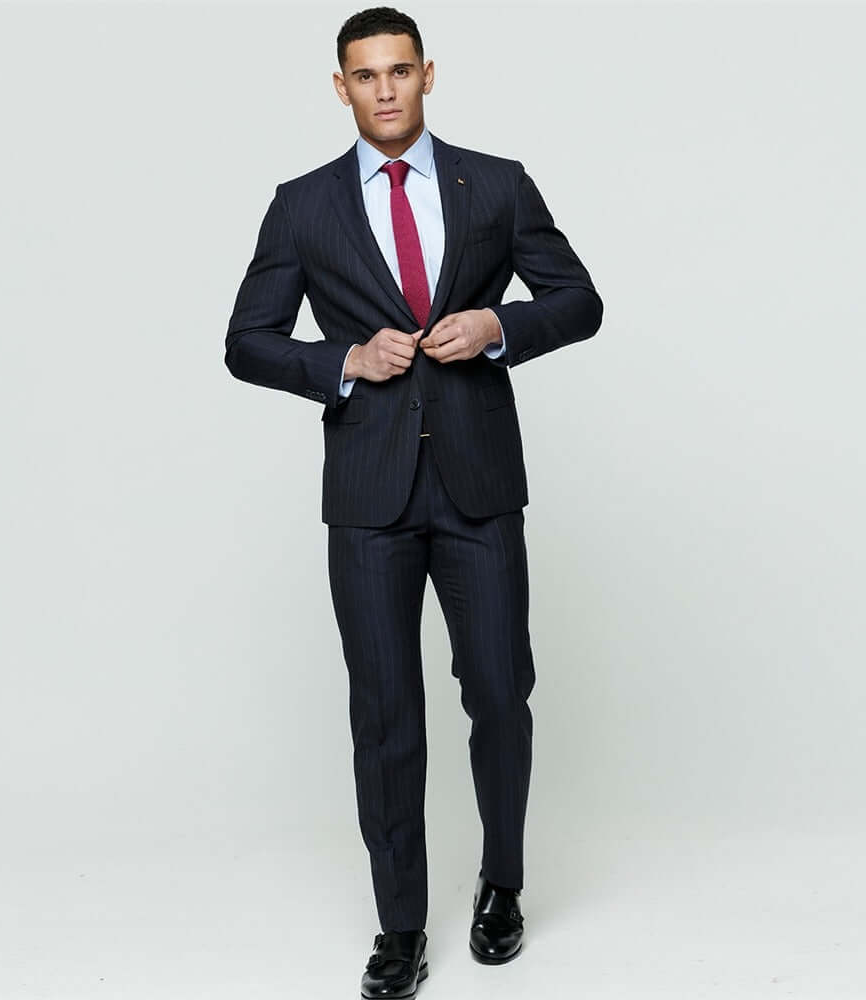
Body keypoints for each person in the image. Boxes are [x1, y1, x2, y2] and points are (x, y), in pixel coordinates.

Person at [224, 7, 604, 997]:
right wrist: (341, 360)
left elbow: (579, 300)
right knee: (385, 716)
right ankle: (399, 928)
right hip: (368, 496)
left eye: (400, 71)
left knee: (499, 694)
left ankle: (502, 885)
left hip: (479, 484)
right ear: (340, 87)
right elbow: (246, 341)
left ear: (428, 75)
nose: (384, 90)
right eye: (365, 75)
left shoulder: (497, 184)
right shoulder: (302, 206)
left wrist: (497, 326)